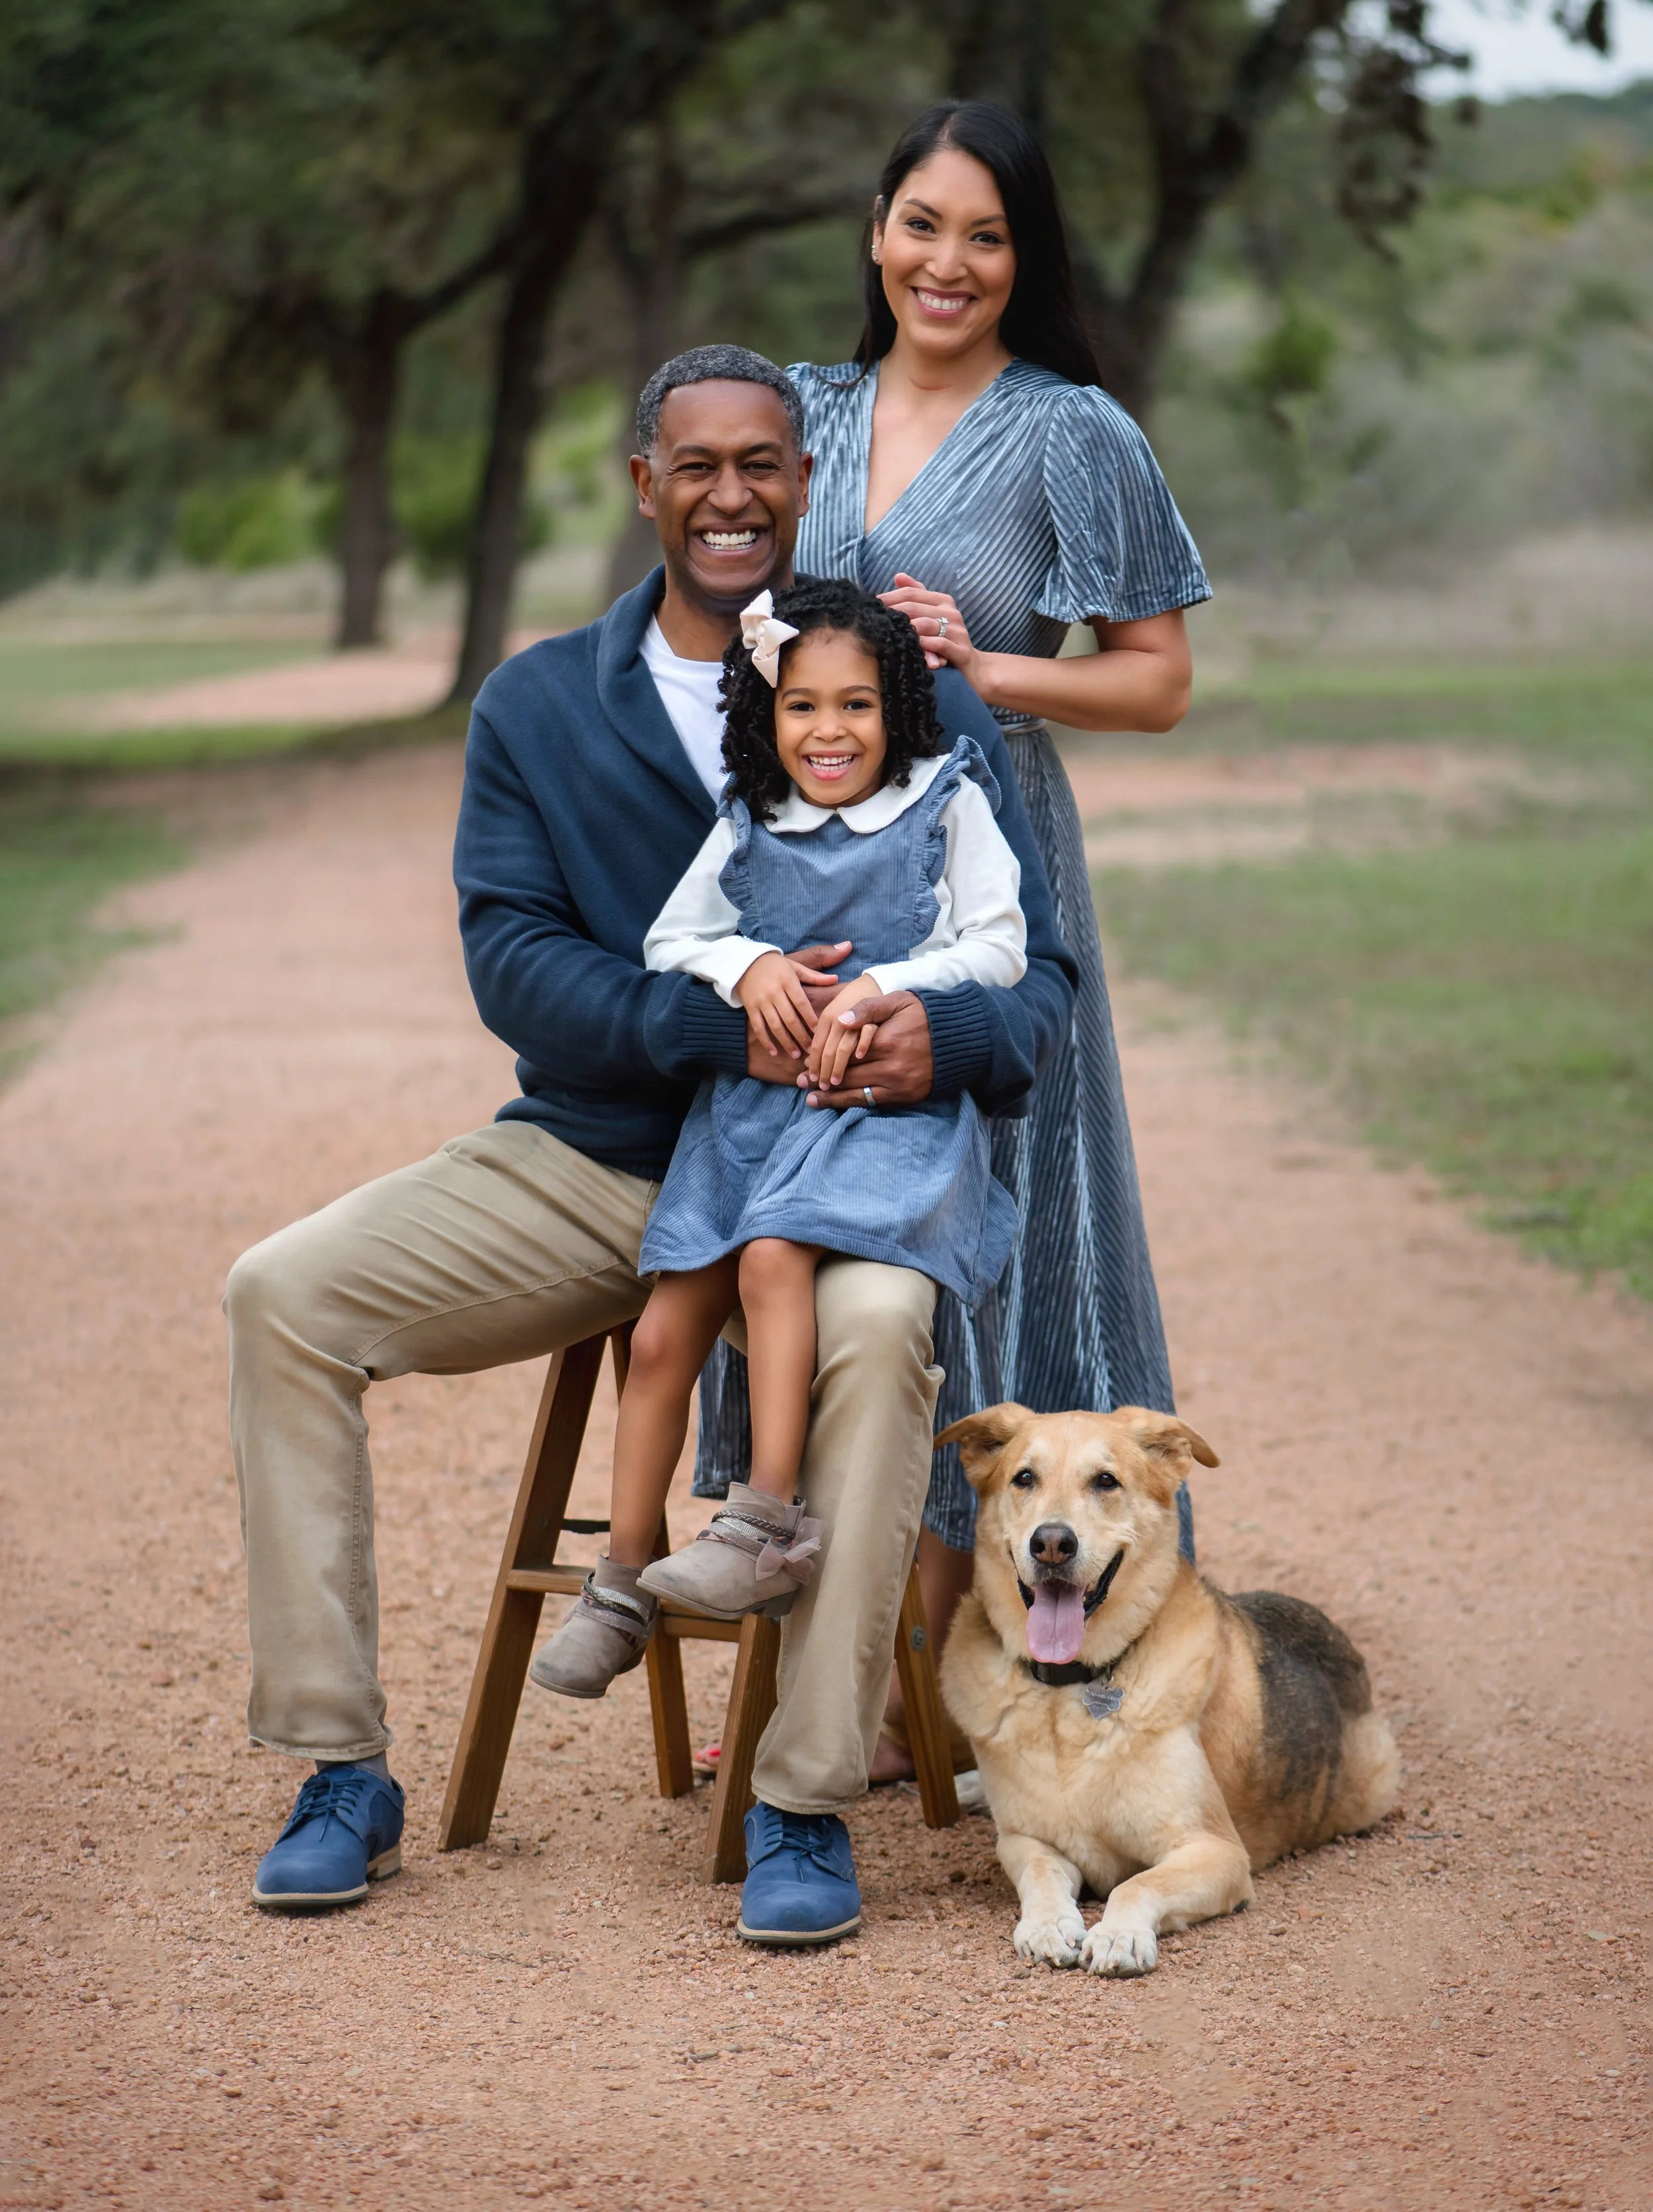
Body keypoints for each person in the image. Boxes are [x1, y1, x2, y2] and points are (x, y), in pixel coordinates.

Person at [225, 342, 1076, 1944]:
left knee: (885, 1327)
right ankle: (339, 1768)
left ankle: (800, 1798)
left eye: (762, 463)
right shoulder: (542, 703)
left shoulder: (902, 676)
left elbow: (1038, 981)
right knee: (279, 1294)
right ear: (645, 487)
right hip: (602, 1156)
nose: (731, 495)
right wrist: (715, 1011)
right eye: (696, 466)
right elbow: (513, 962)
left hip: (839, 1177)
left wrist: (930, 1038)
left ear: (803, 481)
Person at [694, 102, 1213, 1779]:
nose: (948, 262)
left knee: (986, 1222)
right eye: (923, 223)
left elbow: (1155, 677)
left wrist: (990, 671)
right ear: (874, 230)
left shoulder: (1071, 432)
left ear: (1022, 262)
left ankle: (952, 1671)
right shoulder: (802, 410)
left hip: (987, 867)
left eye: (985, 236)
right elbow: (706, 601)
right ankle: (802, 1664)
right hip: (807, 878)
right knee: (798, 1197)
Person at [530, 578, 1026, 1718]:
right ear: (769, 715)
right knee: (662, 1333)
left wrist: (884, 985)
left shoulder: (946, 805)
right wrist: (746, 968)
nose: (831, 732)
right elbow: (673, 936)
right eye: (803, 707)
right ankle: (619, 1587)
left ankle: (761, 1522)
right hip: (745, 1123)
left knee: (770, 1262)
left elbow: (998, 946)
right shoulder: (751, 821)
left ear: (899, 706)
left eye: (858, 704)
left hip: (873, 1115)